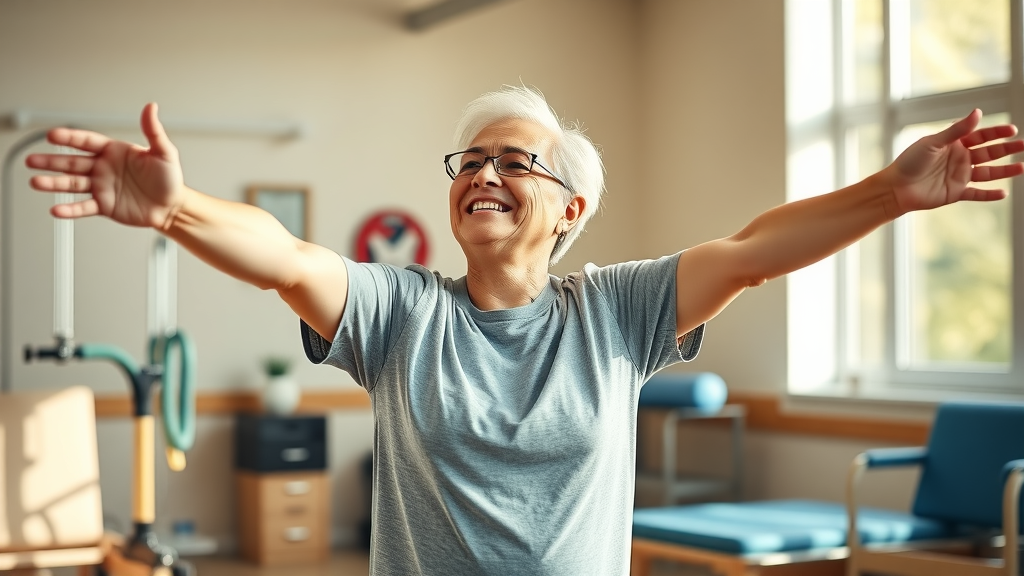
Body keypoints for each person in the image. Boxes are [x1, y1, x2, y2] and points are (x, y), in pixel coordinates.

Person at [26, 86, 1023, 575]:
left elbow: (753, 249)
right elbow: (287, 256)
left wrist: (890, 192)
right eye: (467, 161)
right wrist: (175, 210)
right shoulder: (400, 312)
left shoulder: (620, 312)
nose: (482, 175)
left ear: (572, 207)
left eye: (515, 162)